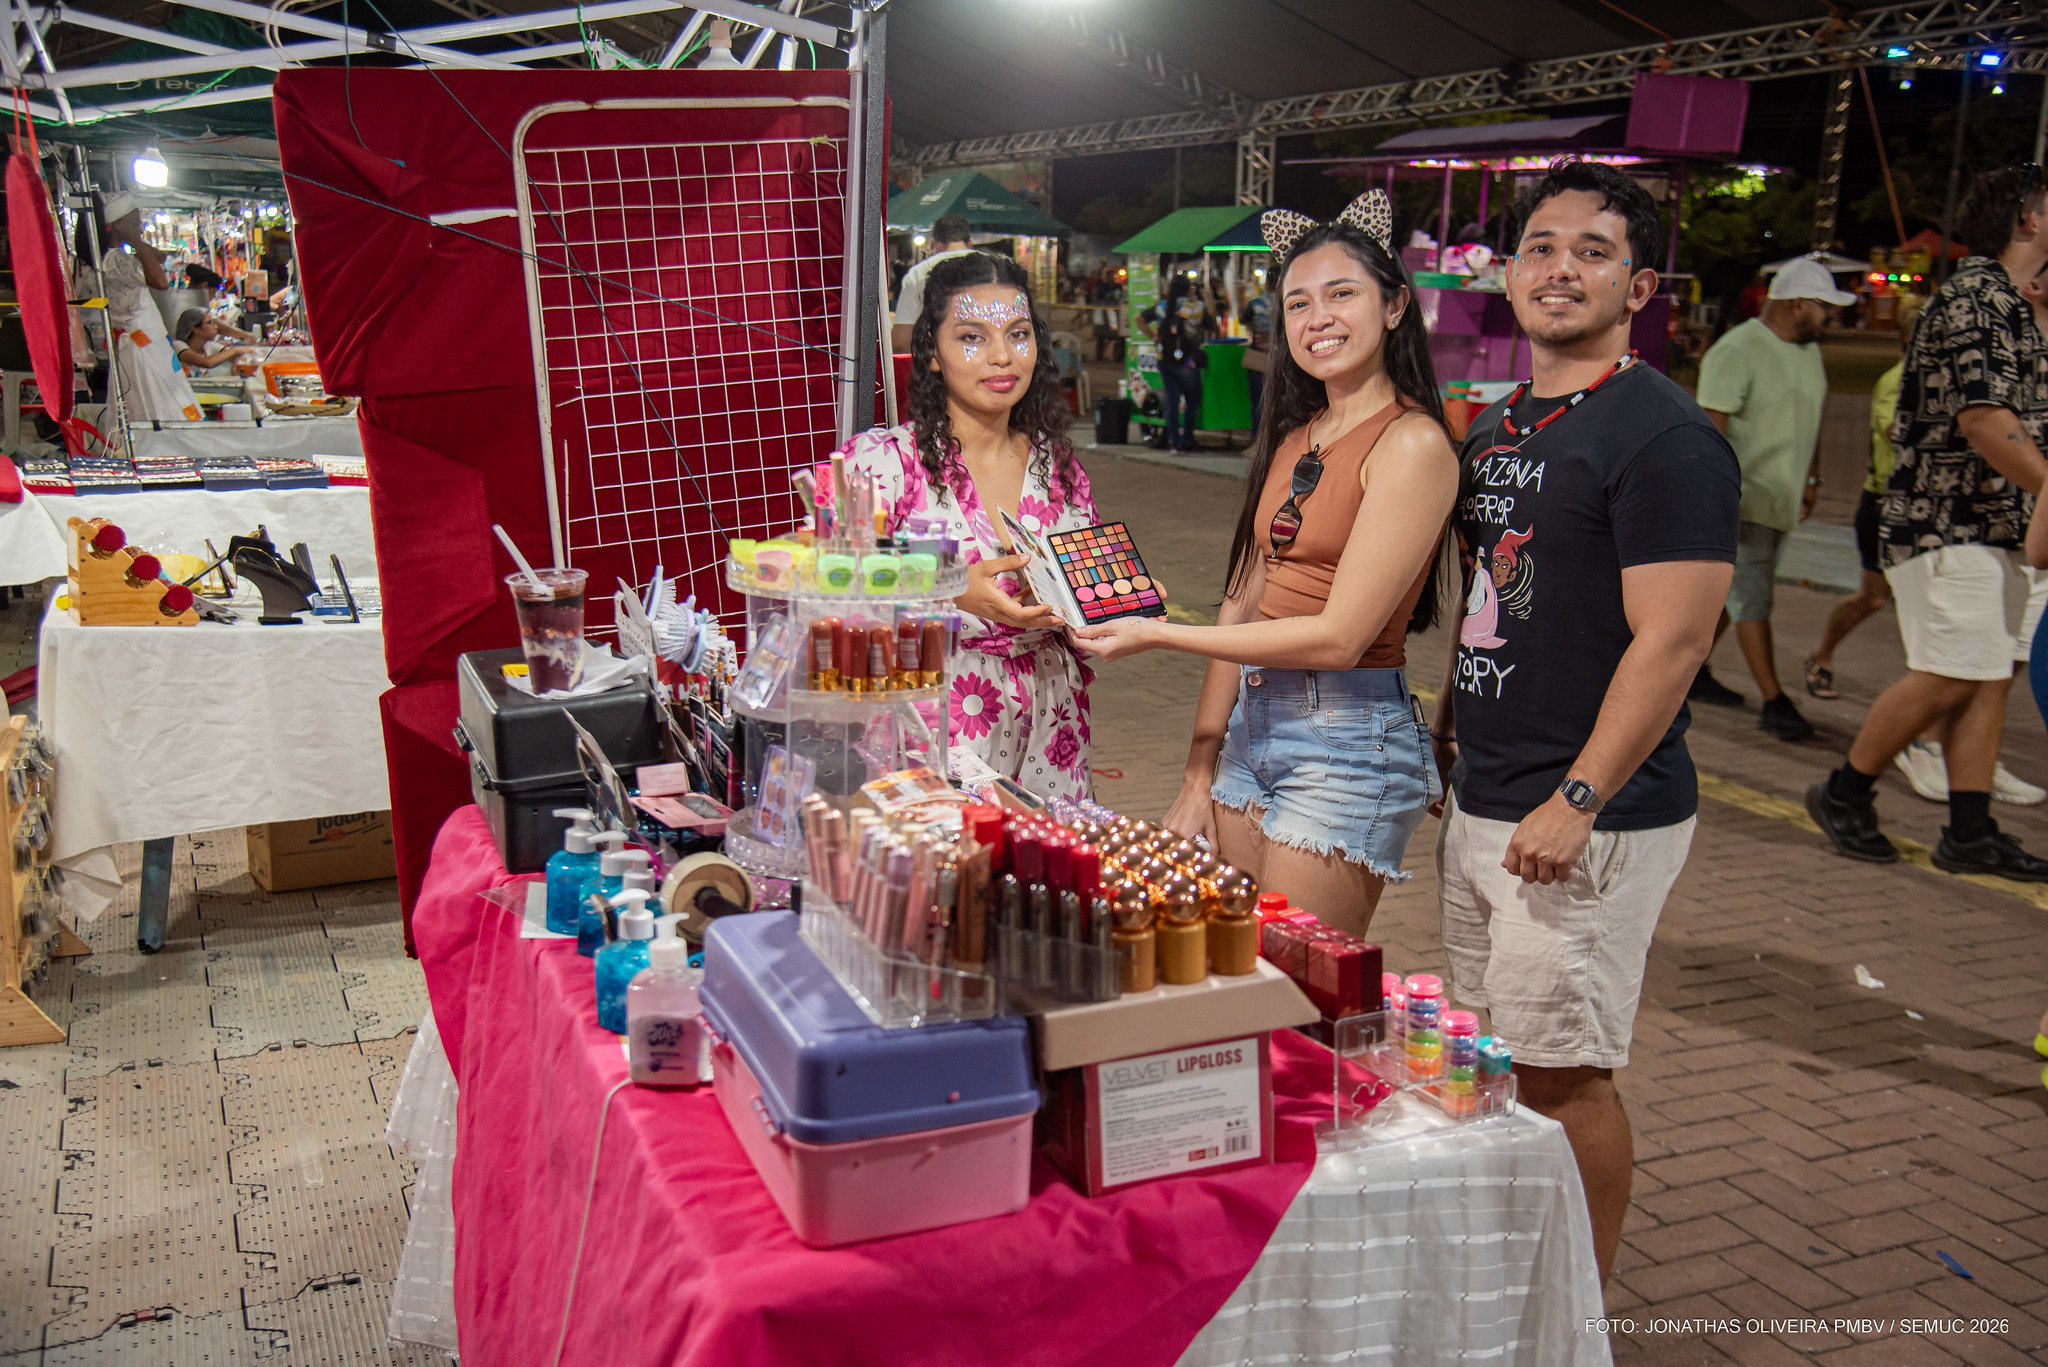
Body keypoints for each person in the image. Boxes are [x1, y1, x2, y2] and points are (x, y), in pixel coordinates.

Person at [1429, 159, 1740, 1285]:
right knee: (1497, 1051)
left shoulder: (1661, 436)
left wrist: (1577, 796)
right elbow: (1495, 600)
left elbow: (1673, 640)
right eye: (1541, 248)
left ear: (1640, 286)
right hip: (1485, 794)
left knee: (1565, 1075)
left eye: (1592, 252)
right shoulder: (1505, 421)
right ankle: (1513, 1274)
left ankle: (1580, 1315)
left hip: (1580, 814)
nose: (1560, 270)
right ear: (1508, 273)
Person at [1071, 191, 1458, 936]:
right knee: (1237, 969)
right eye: (1297, 303)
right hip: (1252, 731)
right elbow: (1241, 599)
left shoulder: (1411, 444)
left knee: (1298, 985)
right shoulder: (1293, 437)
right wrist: (1196, 775)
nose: (1319, 319)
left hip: (1346, 741)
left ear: (1396, 306)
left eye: (1342, 294)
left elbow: (1339, 637)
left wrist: (1158, 634)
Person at [1808, 166, 2048, 880]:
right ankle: (1845, 790)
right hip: (1946, 519)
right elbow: (1983, 419)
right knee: (1949, 673)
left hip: (1990, 522)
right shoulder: (1977, 297)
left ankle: (1969, 829)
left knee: (1987, 676)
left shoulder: (2011, 303)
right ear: (2028, 219)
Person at [826, 252, 1100, 802]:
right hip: (931, 719)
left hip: (1052, 719)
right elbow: (826, 600)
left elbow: (1085, 604)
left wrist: (1117, 602)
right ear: (930, 353)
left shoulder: (1058, 468)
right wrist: (946, 587)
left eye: (1018, 334)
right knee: (942, 879)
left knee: (1041, 877)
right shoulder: (879, 464)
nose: (1002, 357)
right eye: (972, 337)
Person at [1688, 256, 1853, 740]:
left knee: (1730, 596)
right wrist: (1717, 495)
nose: (1833, 317)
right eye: (1826, 307)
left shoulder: (1807, 352)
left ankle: (1690, 668)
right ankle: (1774, 700)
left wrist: (1813, 479)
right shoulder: (1738, 349)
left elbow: (1811, 417)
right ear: (1798, 304)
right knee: (1754, 599)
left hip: (1778, 502)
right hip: (1743, 502)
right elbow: (1709, 428)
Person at [1805, 292, 1927, 700]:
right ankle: (1821, 654)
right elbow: (1897, 430)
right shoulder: (1896, 382)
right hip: (1885, 505)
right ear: (1910, 340)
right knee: (1875, 599)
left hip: (1929, 510)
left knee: (1928, 605)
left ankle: (1925, 697)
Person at [76, 193, 201, 424]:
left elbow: (160, 258)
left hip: (142, 342)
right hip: (142, 346)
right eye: (134, 223)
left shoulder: (105, 258)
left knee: (160, 403)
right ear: (113, 227)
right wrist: (134, 240)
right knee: (164, 407)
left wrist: (134, 237)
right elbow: (161, 282)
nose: (140, 227)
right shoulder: (115, 260)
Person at [891, 213, 974, 353]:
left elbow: (901, 341)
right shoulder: (996, 267)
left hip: (939, 364)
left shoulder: (918, 274)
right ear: (970, 242)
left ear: (935, 243)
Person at [1154, 273, 1211, 453]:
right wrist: (1208, 299)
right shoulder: (1193, 307)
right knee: (1192, 401)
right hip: (1186, 362)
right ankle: (1187, 439)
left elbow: (1140, 319)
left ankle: (1174, 443)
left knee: (1172, 402)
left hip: (1165, 361)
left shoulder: (1163, 306)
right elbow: (1212, 325)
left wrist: (1154, 338)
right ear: (1188, 289)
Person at [172, 309, 260, 374]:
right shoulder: (178, 346)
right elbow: (207, 362)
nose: (216, 327)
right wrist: (234, 350)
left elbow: (230, 356)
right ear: (195, 328)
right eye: (209, 323)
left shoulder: (209, 345)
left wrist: (240, 358)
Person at [1238, 274, 1275, 427]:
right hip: (1283, 356)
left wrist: (1239, 297)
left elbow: (1243, 320)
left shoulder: (1257, 302)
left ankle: (1258, 440)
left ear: (1266, 283)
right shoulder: (1287, 300)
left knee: (1258, 398)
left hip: (1259, 355)